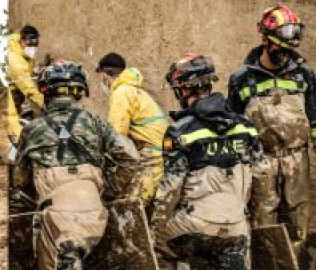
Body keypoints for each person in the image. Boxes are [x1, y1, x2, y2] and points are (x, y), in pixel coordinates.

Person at [14, 59, 140, 270]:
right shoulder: (97, 122)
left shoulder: (31, 129)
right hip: (95, 214)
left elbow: (20, 180)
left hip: (56, 218)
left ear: (46, 91)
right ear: (80, 92)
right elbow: (131, 157)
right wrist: (108, 190)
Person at [150, 54, 263, 269]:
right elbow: (262, 179)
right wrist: (252, 222)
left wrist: (154, 229)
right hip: (236, 227)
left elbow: (170, 189)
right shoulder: (246, 126)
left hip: (194, 225)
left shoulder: (179, 131)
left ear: (183, 89)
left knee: (157, 248)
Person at [227, 4, 316, 254]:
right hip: (261, 160)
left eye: (290, 48)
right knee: (263, 221)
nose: (286, 52)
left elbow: (315, 117)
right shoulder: (242, 78)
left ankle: (297, 262)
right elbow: (234, 125)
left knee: (298, 220)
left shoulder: (304, 75)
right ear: (265, 39)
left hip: (297, 160)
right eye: (281, 45)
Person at [96, 53, 168, 209]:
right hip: (156, 159)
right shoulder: (135, 91)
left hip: (148, 163)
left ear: (106, 74)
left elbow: (116, 136)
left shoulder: (122, 93)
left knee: (126, 211)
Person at [7, 25, 45, 143]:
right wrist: (45, 102)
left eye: (35, 45)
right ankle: (15, 154)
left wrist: (36, 70)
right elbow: (28, 88)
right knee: (14, 126)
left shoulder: (22, 51)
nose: (33, 48)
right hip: (11, 94)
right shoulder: (14, 60)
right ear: (21, 41)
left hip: (18, 89)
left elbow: (26, 71)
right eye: (30, 45)